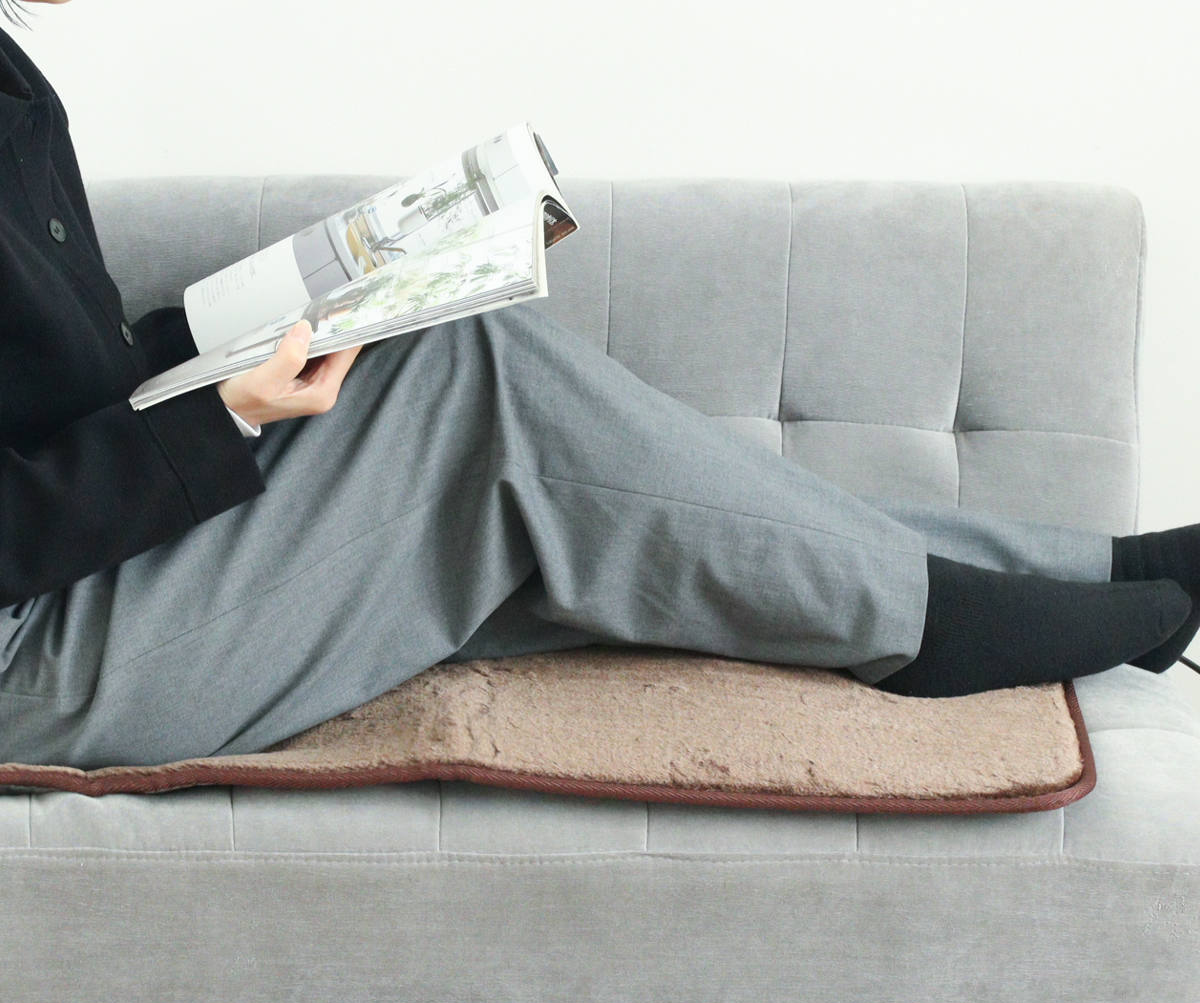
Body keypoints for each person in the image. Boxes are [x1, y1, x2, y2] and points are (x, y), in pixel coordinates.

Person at [0, 0, 1197, 770]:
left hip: (103, 566)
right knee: (478, 384)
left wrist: (242, 334)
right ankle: (931, 623)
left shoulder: (14, 78)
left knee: (467, 384)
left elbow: (51, 382)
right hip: (33, 663)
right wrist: (223, 413)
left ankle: (1073, 570)